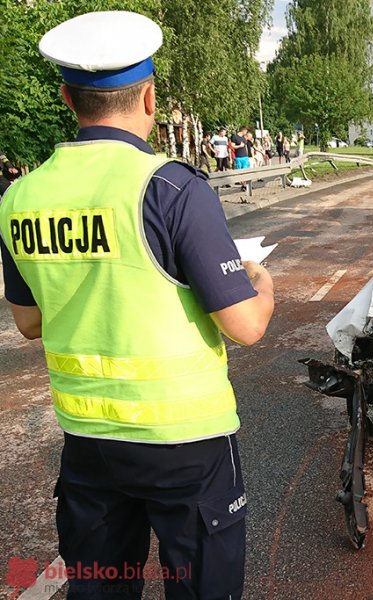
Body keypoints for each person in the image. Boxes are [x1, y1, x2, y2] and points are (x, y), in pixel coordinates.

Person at [0, 11, 275, 598]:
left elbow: (27, 322)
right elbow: (246, 325)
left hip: (89, 443)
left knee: (101, 589)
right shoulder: (172, 188)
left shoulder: (20, 197)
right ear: (150, 97)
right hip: (186, 444)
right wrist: (262, 281)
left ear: (66, 97)